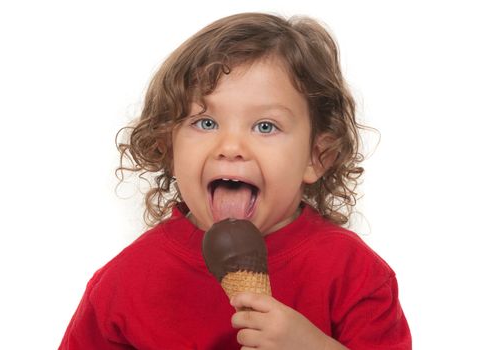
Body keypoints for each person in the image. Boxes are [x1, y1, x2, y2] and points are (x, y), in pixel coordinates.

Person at [59, 12, 411, 349]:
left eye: (265, 126)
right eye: (206, 123)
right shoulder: (124, 281)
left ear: (316, 156)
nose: (231, 147)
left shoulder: (355, 273)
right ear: (167, 145)